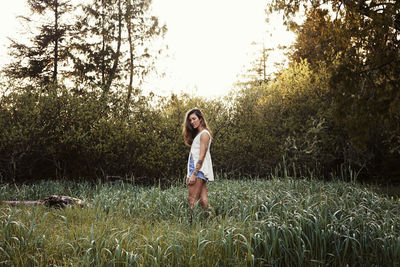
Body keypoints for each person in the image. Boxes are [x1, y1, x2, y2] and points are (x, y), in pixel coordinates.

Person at [182, 108, 214, 219]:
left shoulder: (204, 134)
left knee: (192, 200)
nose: (192, 122)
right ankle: (214, 221)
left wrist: (194, 174)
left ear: (200, 119)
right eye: (190, 120)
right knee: (203, 202)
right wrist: (189, 174)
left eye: (194, 118)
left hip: (198, 170)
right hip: (196, 170)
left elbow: (202, 156)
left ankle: (192, 225)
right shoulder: (199, 134)